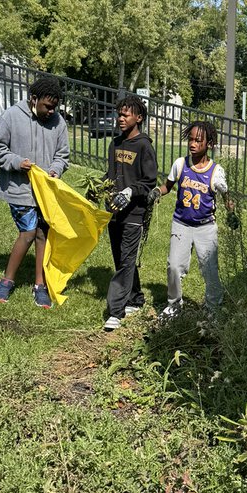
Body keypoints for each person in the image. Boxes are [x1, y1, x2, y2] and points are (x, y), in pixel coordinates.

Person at [0, 76, 69, 309]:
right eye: (47, 106)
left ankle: (39, 285)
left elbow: (62, 155)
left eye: (54, 107)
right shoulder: (11, 116)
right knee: (29, 232)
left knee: (43, 233)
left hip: (45, 192)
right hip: (20, 190)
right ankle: (6, 280)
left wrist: (55, 170)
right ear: (34, 99)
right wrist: (16, 162)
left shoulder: (58, 122)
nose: (51, 111)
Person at [155, 120, 235, 318]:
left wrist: (231, 214)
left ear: (209, 144)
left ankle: (213, 308)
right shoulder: (180, 164)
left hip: (205, 228)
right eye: (190, 139)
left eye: (198, 140)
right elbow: (167, 186)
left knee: (210, 270)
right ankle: (174, 305)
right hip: (181, 224)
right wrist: (157, 192)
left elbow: (227, 198)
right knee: (174, 266)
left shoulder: (216, 172)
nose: (193, 144)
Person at [104, 95, 158, 331]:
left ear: (139, 118)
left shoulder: (144, 146)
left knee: (126, 260)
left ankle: (116, 311)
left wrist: (129, 191)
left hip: (135, 213)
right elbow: (110, 175)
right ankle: (135, 298)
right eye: (119, 114)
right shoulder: (115, 144)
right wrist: (100, 188)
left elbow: (149, 181)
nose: (121, 118)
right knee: (121, 259)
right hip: (115, 212)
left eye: (126, 115)